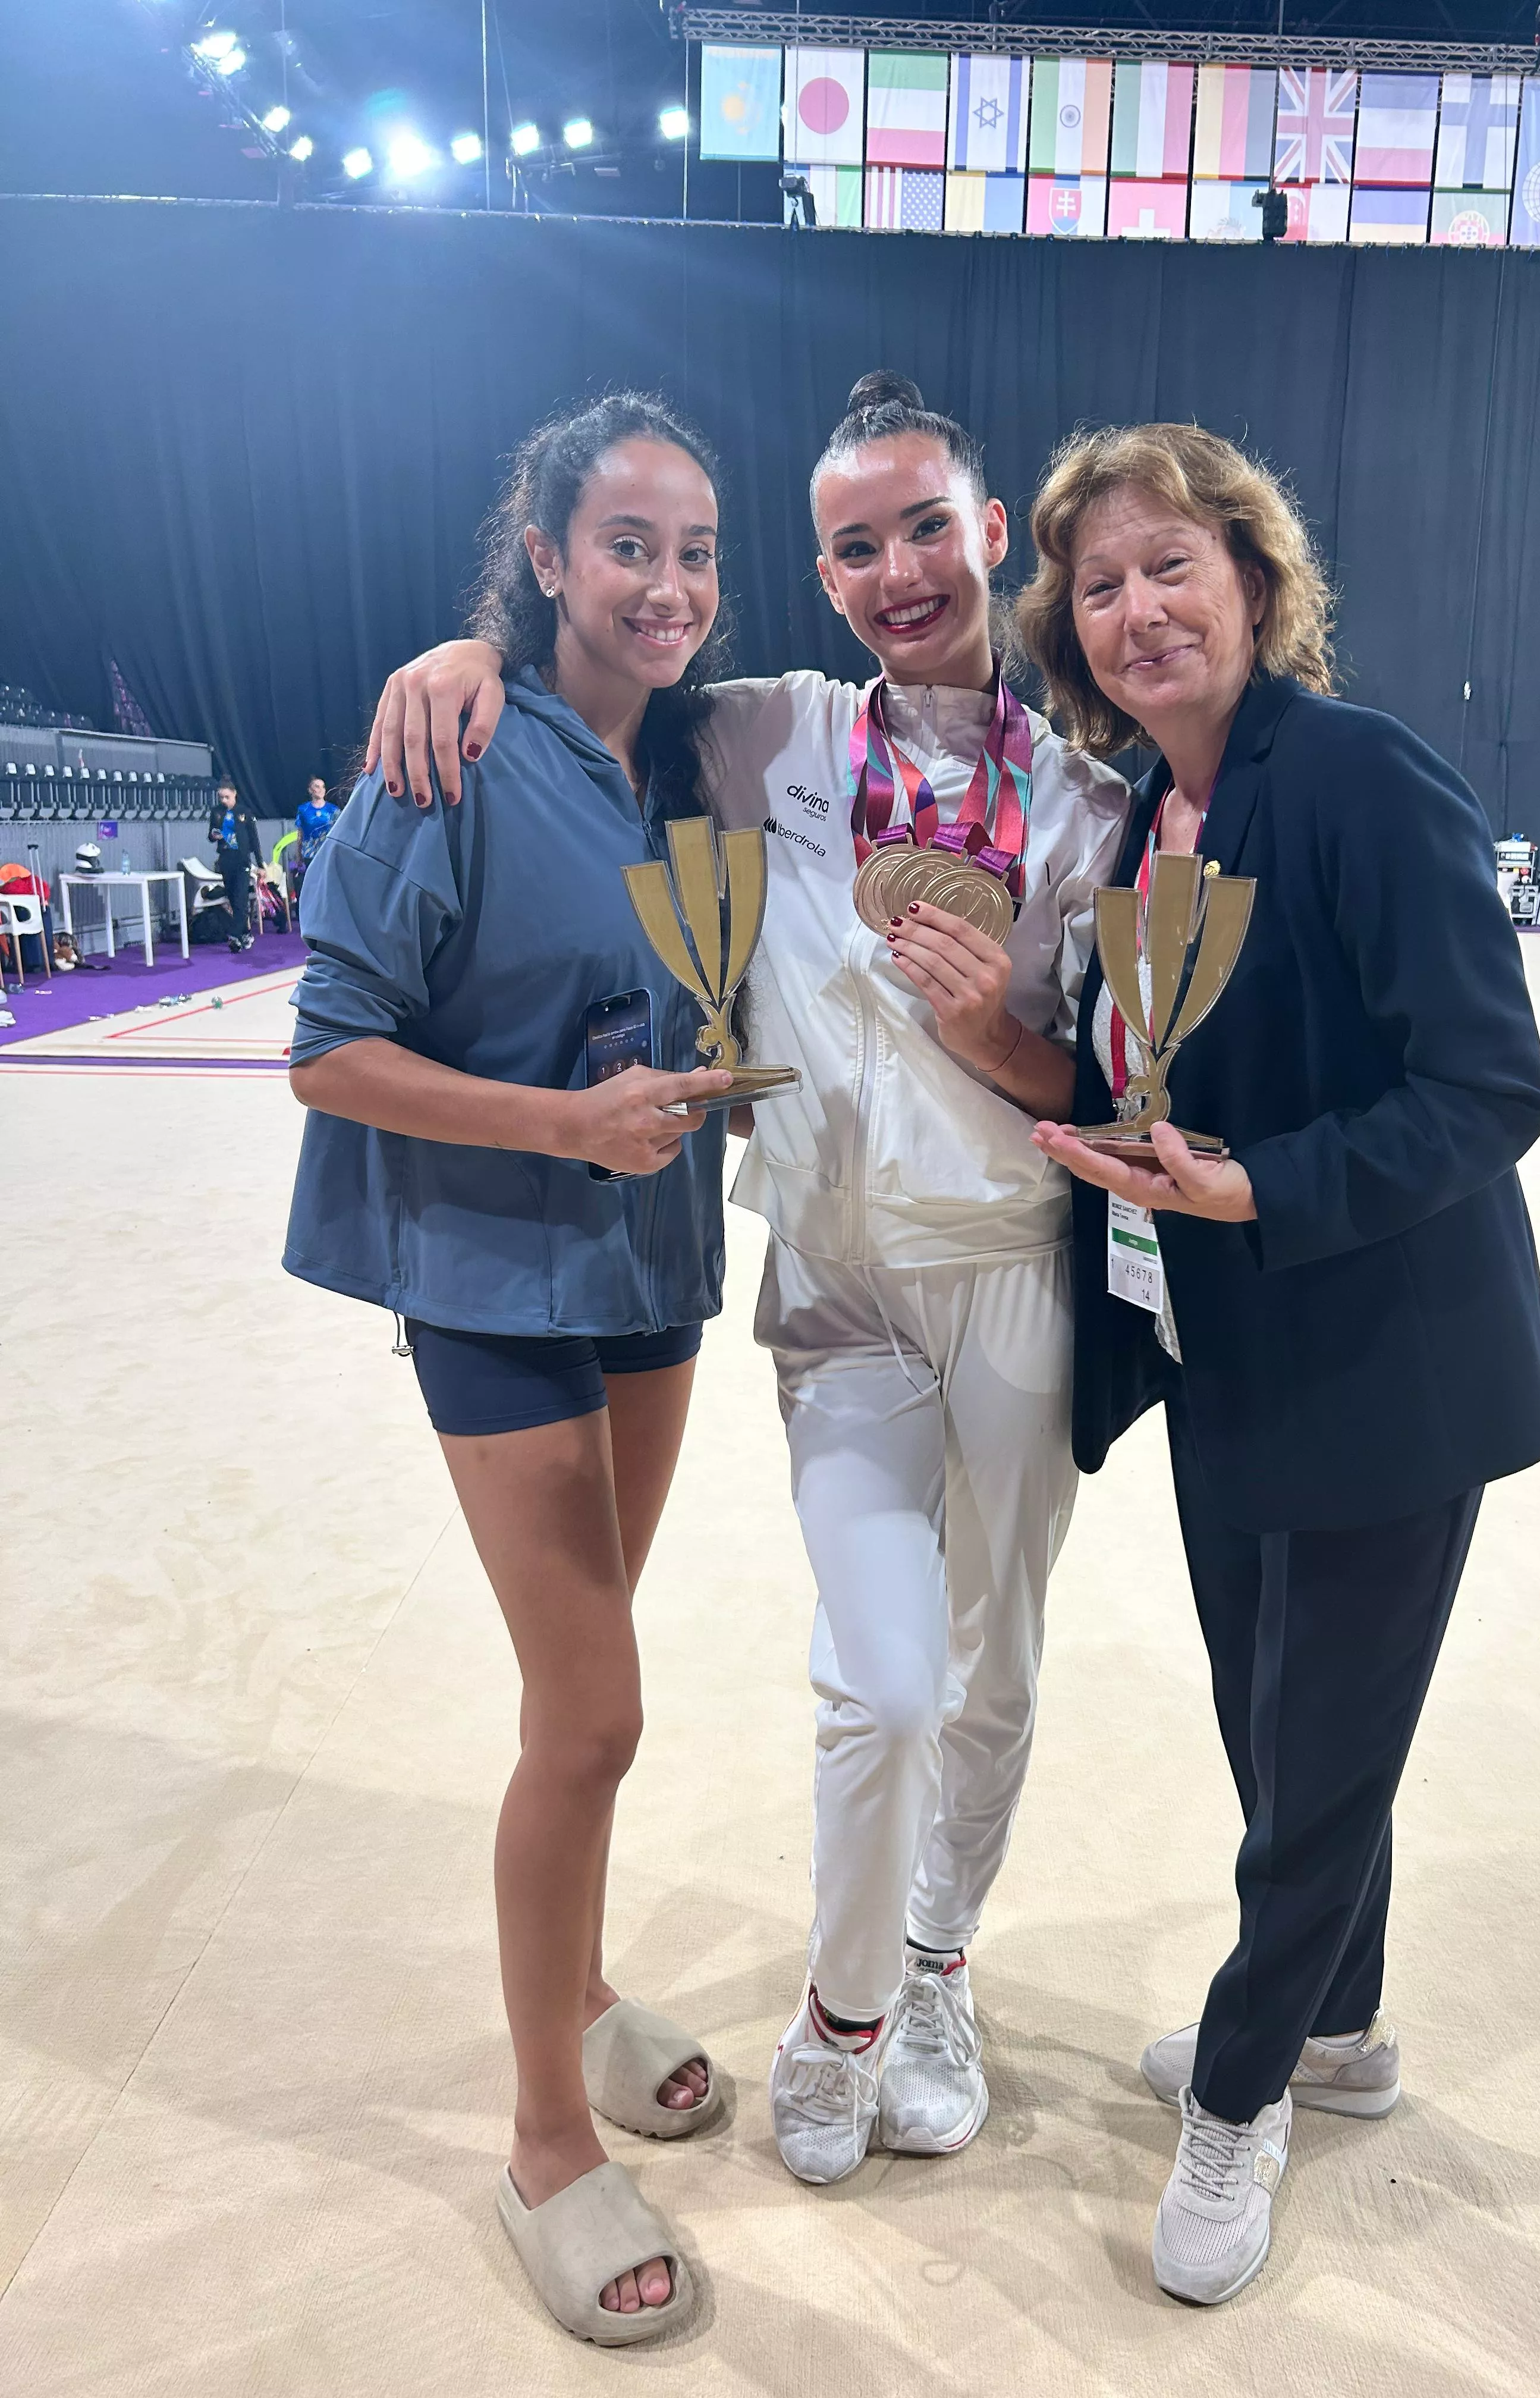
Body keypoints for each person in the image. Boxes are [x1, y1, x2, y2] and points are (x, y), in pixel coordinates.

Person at [364, 372, 1131, 2190]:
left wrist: (1005, 1032)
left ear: (989, 530)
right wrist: (460, 656)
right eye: (855, 546)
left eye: (926, 527)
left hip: (1016, 1278)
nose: (897, 570)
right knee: (885, 1683)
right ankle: (842, 2006)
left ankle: (938, 1972)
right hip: (839, 1295)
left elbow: (1103, 1078)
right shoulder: (768, 736)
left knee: (996, 1673)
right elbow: (587, 683)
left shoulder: (1091, 801)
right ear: (825, 574)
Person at [1019, 422, 1540, 2308]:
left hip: (1388, 1356)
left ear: (1255, 578)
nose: (1140, 607)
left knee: (1319, 1764)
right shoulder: (1135, 814)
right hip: (1228, 1346)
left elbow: (1491, 1088)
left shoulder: (1357, 775)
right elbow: (1163, 1074)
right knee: (1283, 1742)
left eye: (1175, 564)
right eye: (1101, 586)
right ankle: (1342, 2028)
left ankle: (1244, 2097)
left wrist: (1264, 1185)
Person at [285, 395, 742, 2347]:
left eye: (698, 552)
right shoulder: (447, 745)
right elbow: (326, 1046)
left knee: (598, 1675)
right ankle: (548, 2139)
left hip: (653, 1262)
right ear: (543, 555)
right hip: (495, 1272)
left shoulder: (705, 762)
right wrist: (562, 1131)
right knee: (592, 1713)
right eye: (628, 543)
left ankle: (578, 1986)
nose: (669, 585)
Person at [207, 779, 265, 952]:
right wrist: (214, 835)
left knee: (241, 899)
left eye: (227, 797)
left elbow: (254, 840)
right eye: (221, 797)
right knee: (233, 899)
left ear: (234, 794)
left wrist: (261, 864)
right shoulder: (216, 812)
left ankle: (233, 935)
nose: (224, 801)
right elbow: (210, 835)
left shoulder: (245, 812)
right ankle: (246, 934)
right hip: (226, 860)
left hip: (242, 861)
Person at [293, 773, 341, 898]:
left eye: (323, 787)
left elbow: (340, 833)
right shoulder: (303, 810)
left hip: (328, 853)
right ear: (310, 790)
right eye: (317, 787)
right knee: (312, 885)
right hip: (310, 853)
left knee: (328, 884)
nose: (320, 790)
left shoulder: (333, 810)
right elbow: (300, 835)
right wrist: (299, 856)